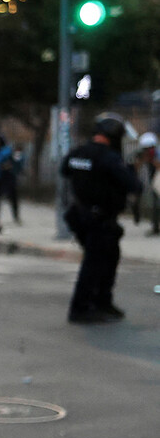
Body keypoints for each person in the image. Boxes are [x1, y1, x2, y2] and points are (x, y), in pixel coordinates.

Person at [61, 113, 142, 324]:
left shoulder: (78, 152)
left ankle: (102, 302)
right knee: (94, 263)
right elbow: (134, 185)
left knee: (109, 257)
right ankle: (80, 308)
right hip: (99, 219)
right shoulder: (109, 158)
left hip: (80, 215)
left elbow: (64, 170)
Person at [0, 139, 25, 233]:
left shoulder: (20, 157)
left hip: (10, 178)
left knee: (13, 197)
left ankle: (16, 216)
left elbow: (19, 167)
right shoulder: (5, 153)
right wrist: (4, 167)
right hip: (0, 177)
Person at [129, 132, 158, 235]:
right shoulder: (140, 154)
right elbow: (134, 167)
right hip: (144, 182)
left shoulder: (156, 154)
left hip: (156, 182)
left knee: (156, 203)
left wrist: (152, 160)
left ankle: (156, 226)